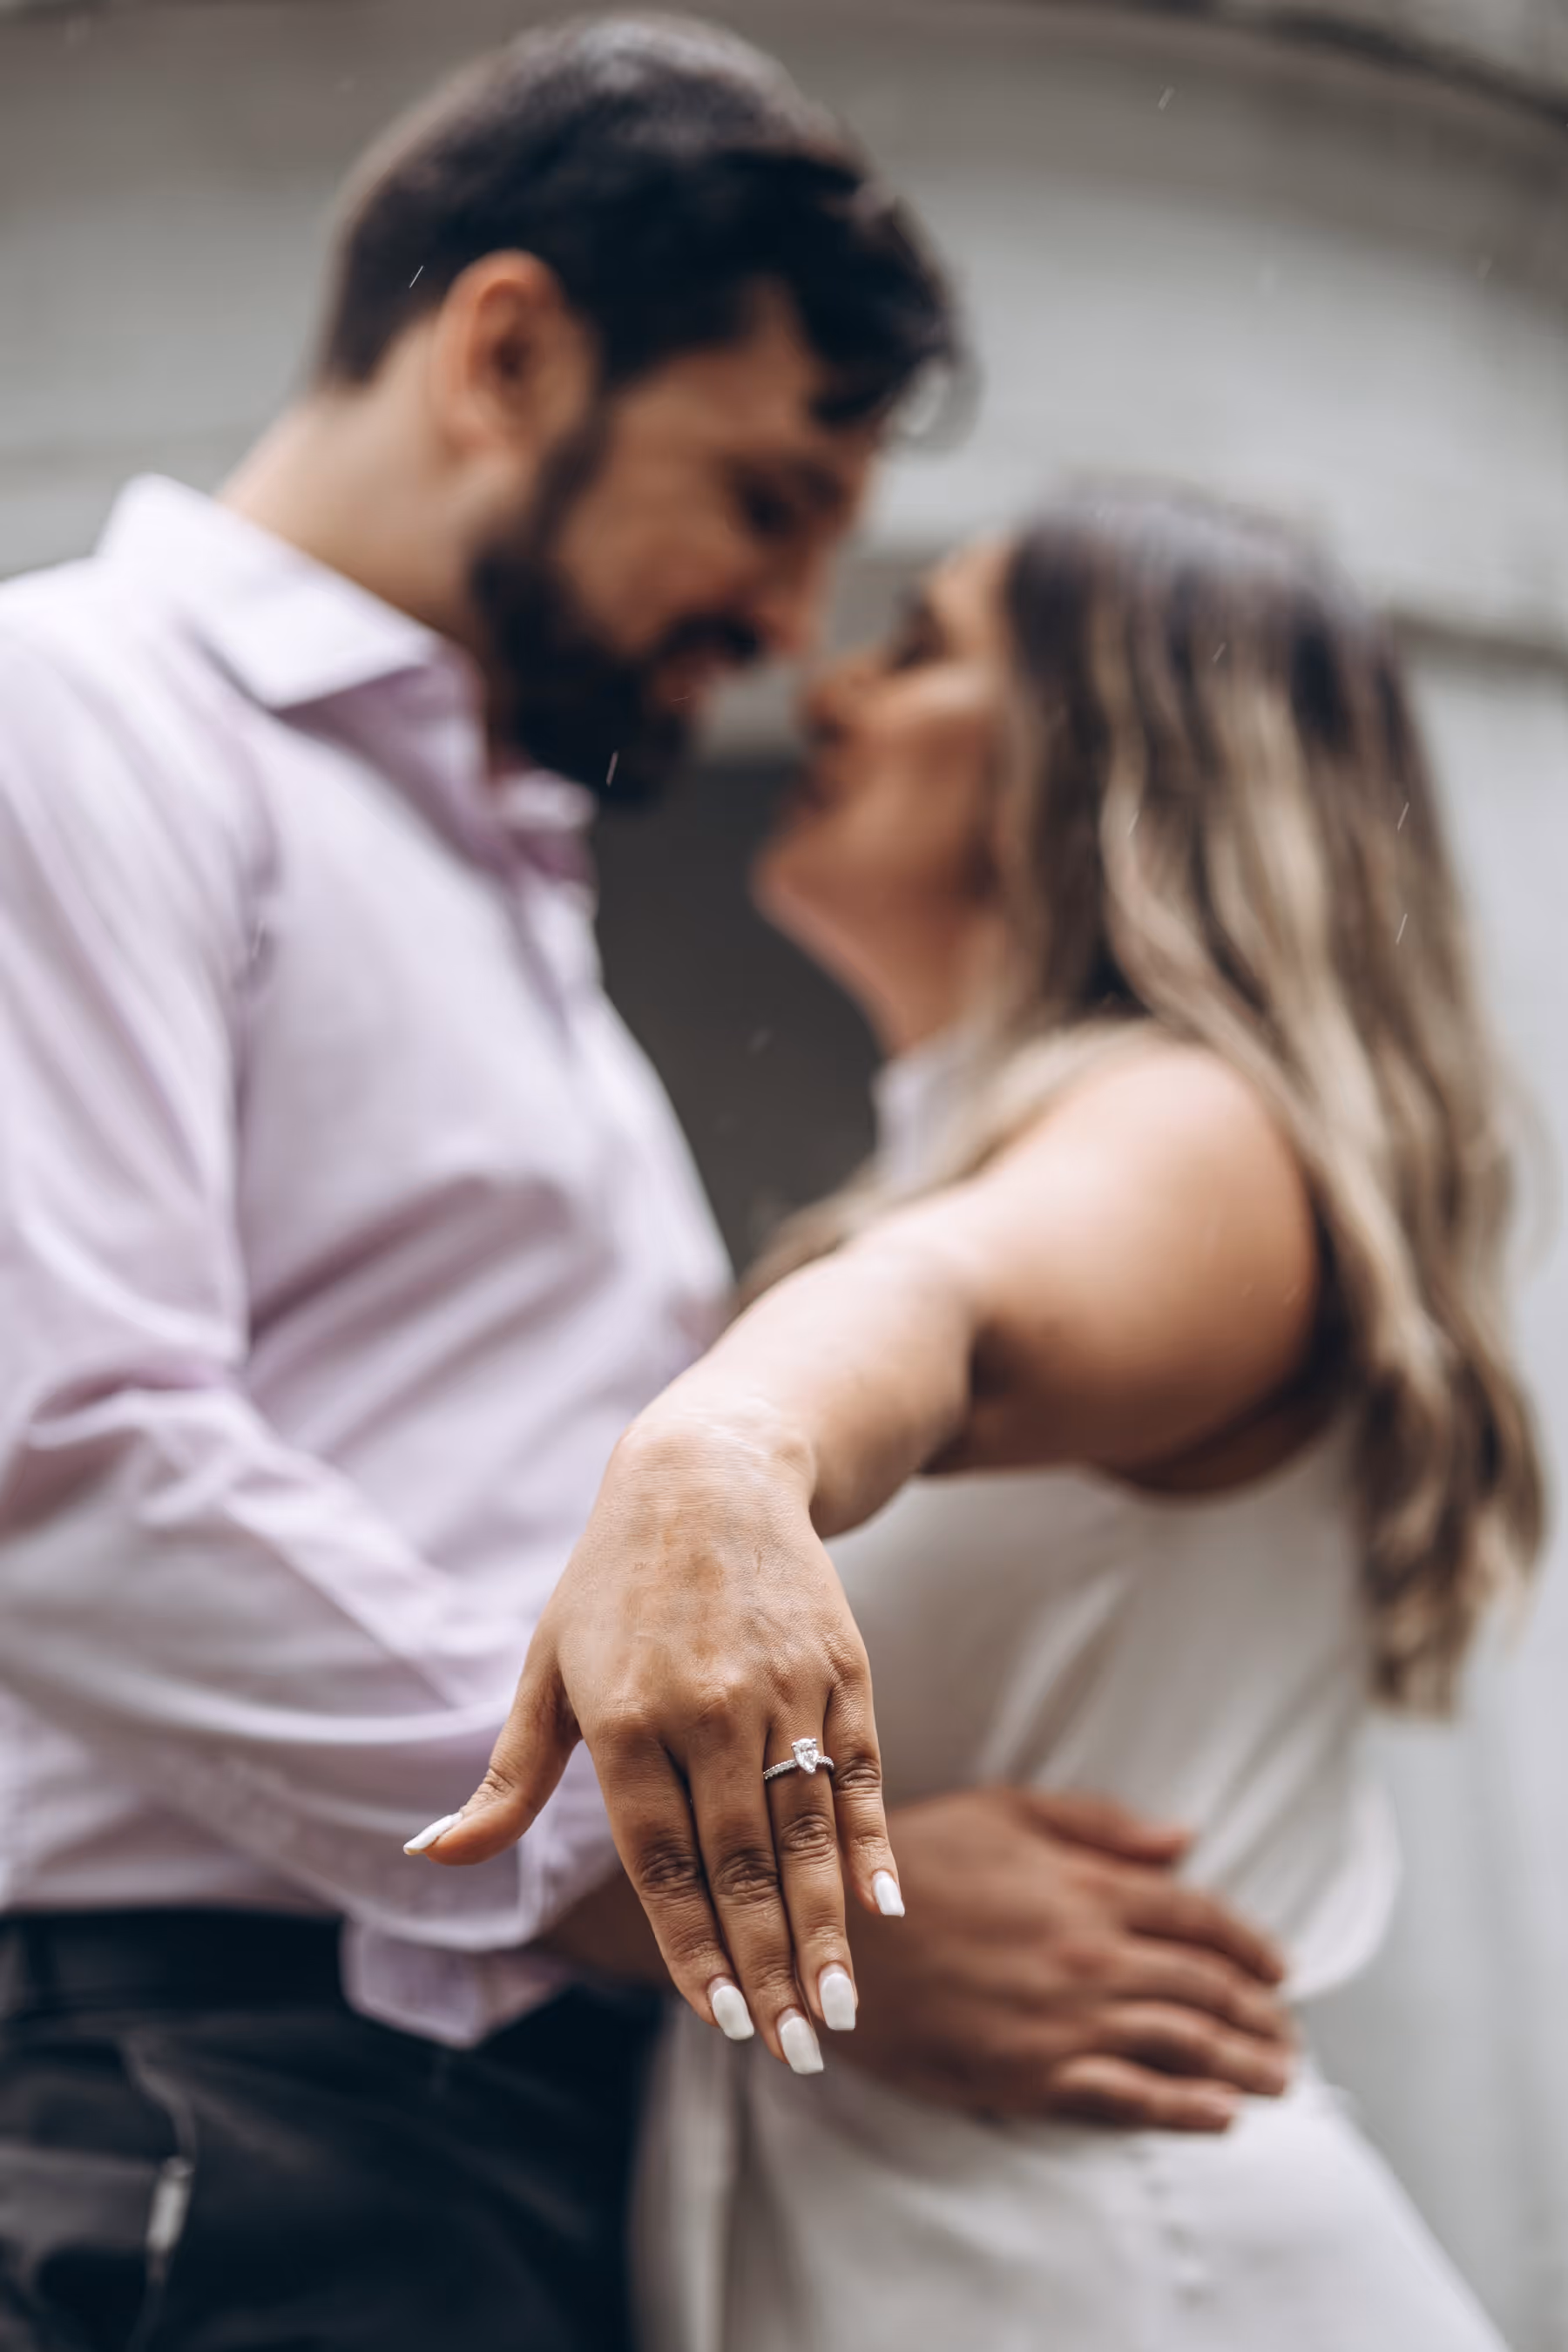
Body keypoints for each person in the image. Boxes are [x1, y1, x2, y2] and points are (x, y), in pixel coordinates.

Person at [0, 23, 1296, 2350]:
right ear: (504, 349)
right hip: (252, 2094)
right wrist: (747, 1887)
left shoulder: (496, 878)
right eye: (773, 499)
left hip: (492, 2119)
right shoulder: (79, 715)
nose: (790, 625)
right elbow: (55, 1453)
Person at [449, 492, 1544, 2346]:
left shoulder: (1195, 1125)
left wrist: (722, 1456)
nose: (826, 689)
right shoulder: (958, 1146)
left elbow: (939, 1307)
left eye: (921, 646)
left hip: (1119, 2272)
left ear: (1124, 754)